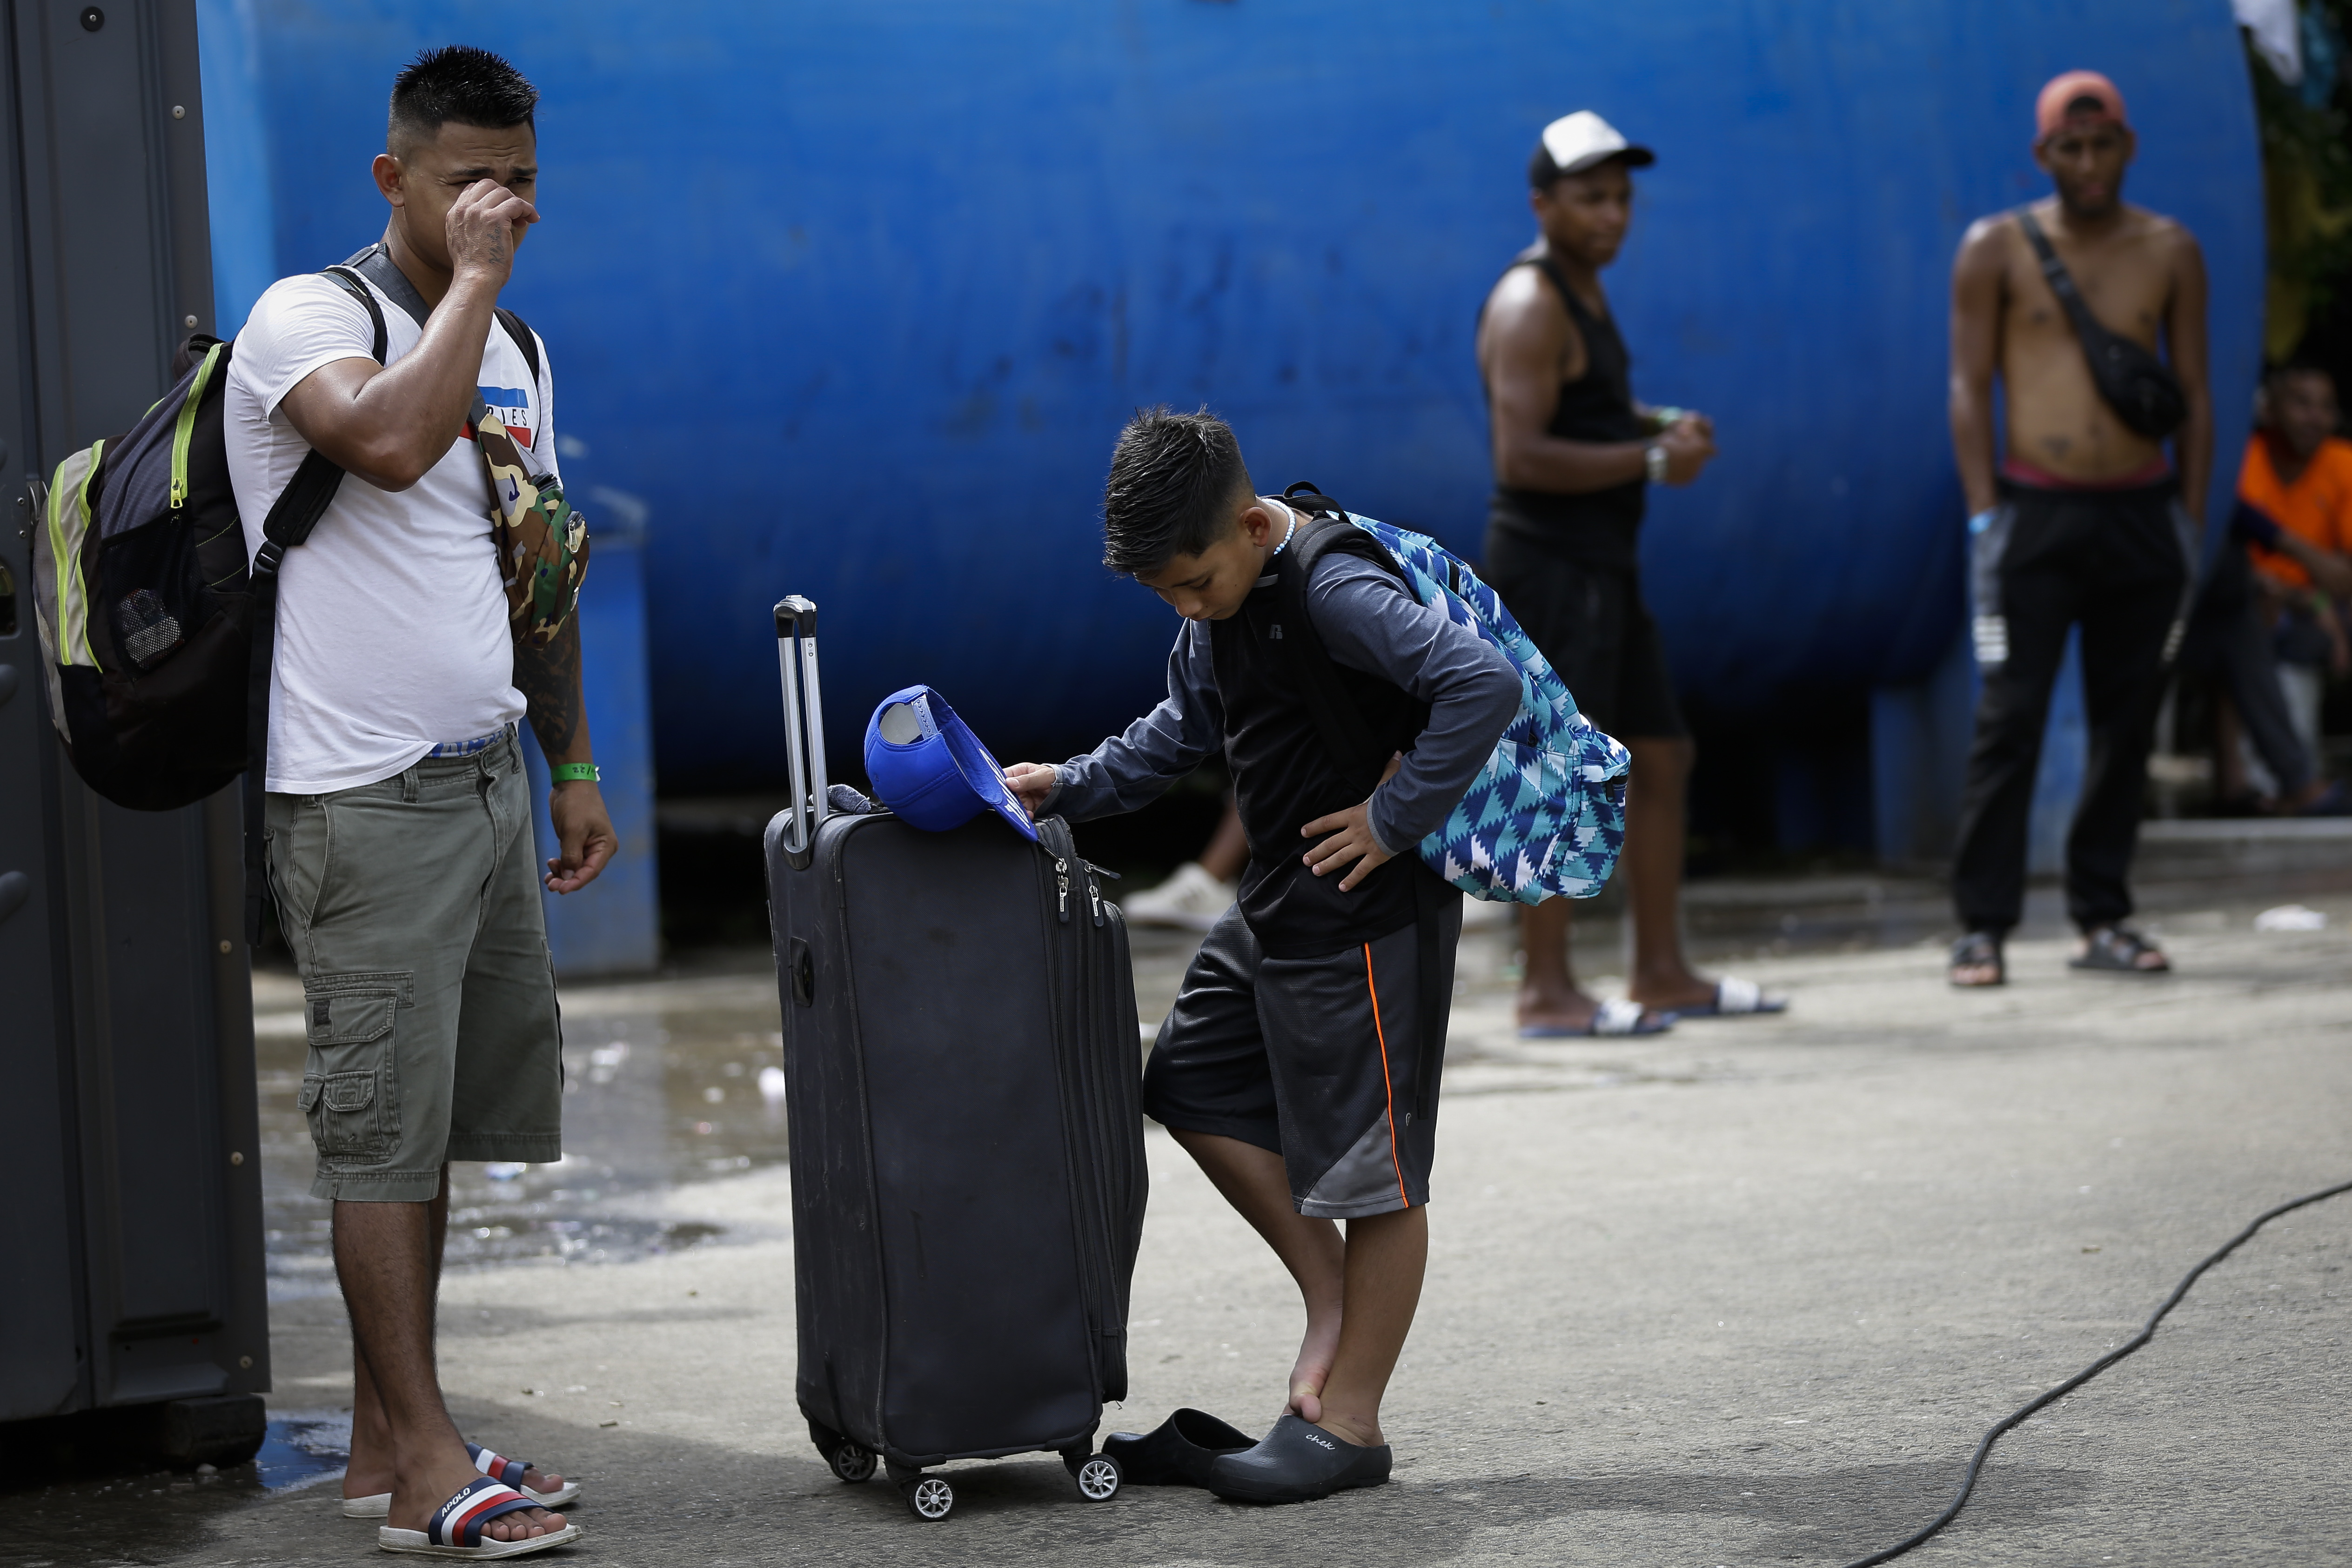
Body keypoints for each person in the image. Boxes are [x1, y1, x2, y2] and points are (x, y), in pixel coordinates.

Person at [224, 47, 612, 1555]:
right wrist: (464, 289)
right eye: (465, 184)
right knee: (379, 1138)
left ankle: (393, 1444)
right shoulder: (306, 322)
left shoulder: (515, 342)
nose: (494, 212)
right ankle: (435, 1469)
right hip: (358, 803)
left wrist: (568, 765)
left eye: (514, 184)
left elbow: (541, 562)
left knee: (436, 1127)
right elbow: (387, 444)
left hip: (483, 788)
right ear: (393, 179)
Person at [1003, 408, 1520, 1502]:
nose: (1186, 611)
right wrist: (1072, 783)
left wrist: (1392, 819)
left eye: (1193, 584)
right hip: (1281, 899)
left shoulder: (1333, 589)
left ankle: (1349, 1425)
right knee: (1189, 1079)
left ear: (1250, 525)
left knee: (1374, 1176)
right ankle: (1331, 1301)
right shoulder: (1217, 598)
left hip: (1368, 915)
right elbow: (1185, 727)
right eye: (1165, 597)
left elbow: (1481, 684)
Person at [1475, 110, 1780, 1036]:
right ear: (1542, 204)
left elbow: (1587, 409)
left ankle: (1659, 970)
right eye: (1589, 198)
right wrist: (1651, 463)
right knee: (1564, 769)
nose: (1611, 215)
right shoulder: (1529, 302)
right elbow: (1519, 454)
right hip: (1553, 566)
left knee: (1660, 753)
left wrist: (1653, 424)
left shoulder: (1584, 292)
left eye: (1620, 198)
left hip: (1607, 567)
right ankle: (1546, 989)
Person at [1945, 71, 2207, 987]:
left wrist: (2190, 516)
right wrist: (1985, 514)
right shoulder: (1997, 248)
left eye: (2103, 145)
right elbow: (1967, 386)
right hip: (2033, 512)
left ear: (2127, 147)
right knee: (2007, 716)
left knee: (2126, 720)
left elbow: (2198, 394)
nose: (2088, 163)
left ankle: (2104, 913)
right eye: (2071, 147)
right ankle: (1980, 924)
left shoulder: (2168, 248)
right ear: (2043, 154)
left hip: (2141, 513)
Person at [2238, 362, 2352, 784]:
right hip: (2262, 605)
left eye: (2325, 407)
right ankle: (2281, 782)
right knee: (2253, 619)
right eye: (2301, 404)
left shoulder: (2342, 462)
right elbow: (2231, 569)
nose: (2314, 418)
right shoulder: (2242, 458)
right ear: (2269, 410)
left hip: (2322, 608)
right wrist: (2308, 595)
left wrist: (2316, 597)